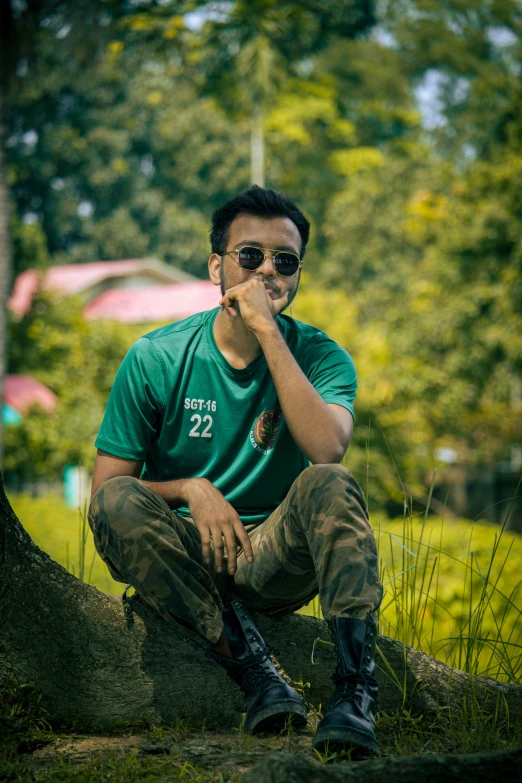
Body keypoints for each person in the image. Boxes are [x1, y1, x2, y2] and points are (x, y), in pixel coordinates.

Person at [88, 185, 383, 756]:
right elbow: (106, 494)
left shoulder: (323, 357)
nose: (267, 271)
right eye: (250, 256)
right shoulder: (156, 357)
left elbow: (327, 451)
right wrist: (191, 490)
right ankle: (251, 667)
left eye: (285, 261)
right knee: (120, 503)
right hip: (187, 556)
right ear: (216, 266)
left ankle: (354, 692)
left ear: (298, 276)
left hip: (271, 559)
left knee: (332, 483)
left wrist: (268, 331)